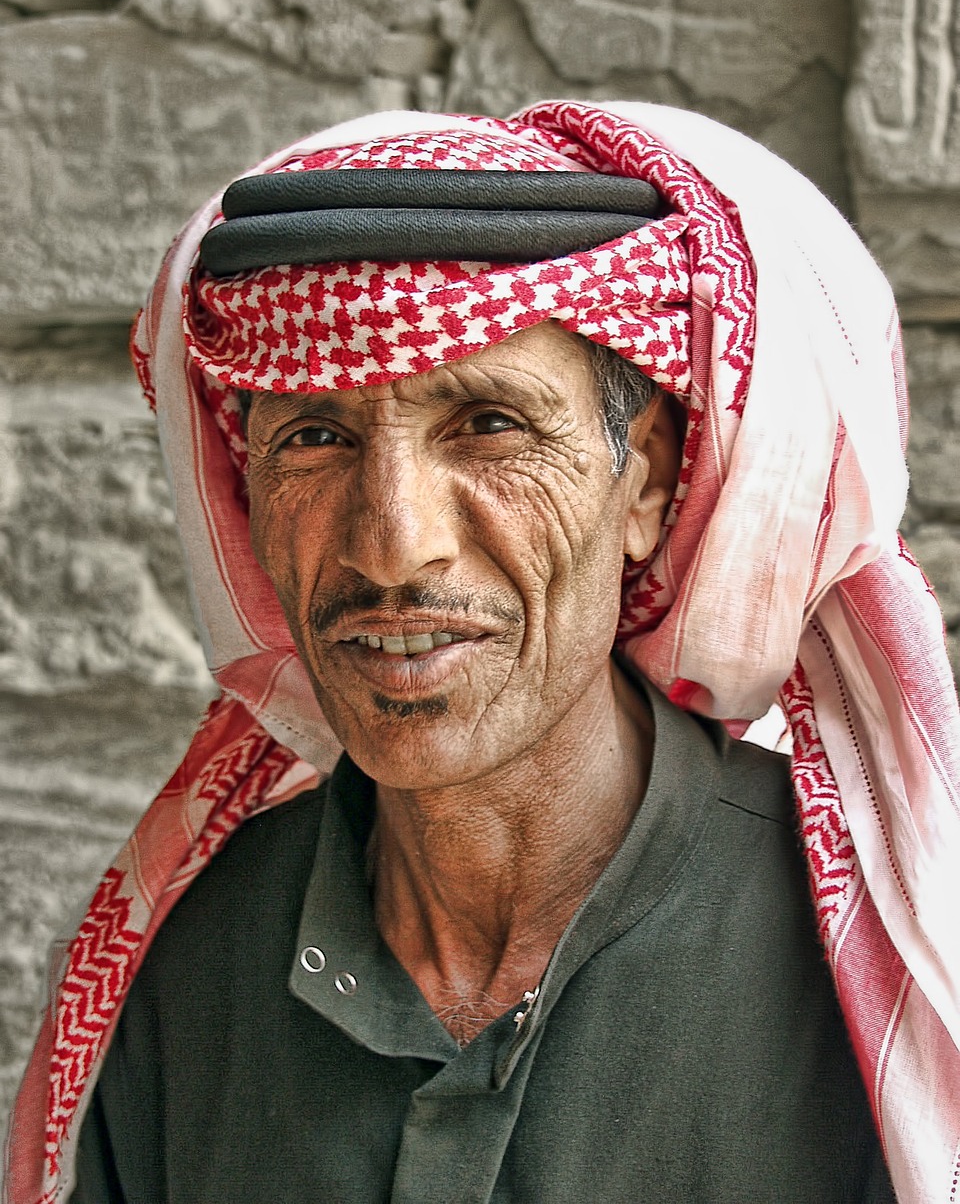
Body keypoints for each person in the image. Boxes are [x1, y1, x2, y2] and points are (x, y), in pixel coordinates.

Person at [6, 102, 959, 1203]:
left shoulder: (878, 971)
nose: (393, 545)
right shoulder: (195, 967)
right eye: (315, 436)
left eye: (490, 424)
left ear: (644, 479)